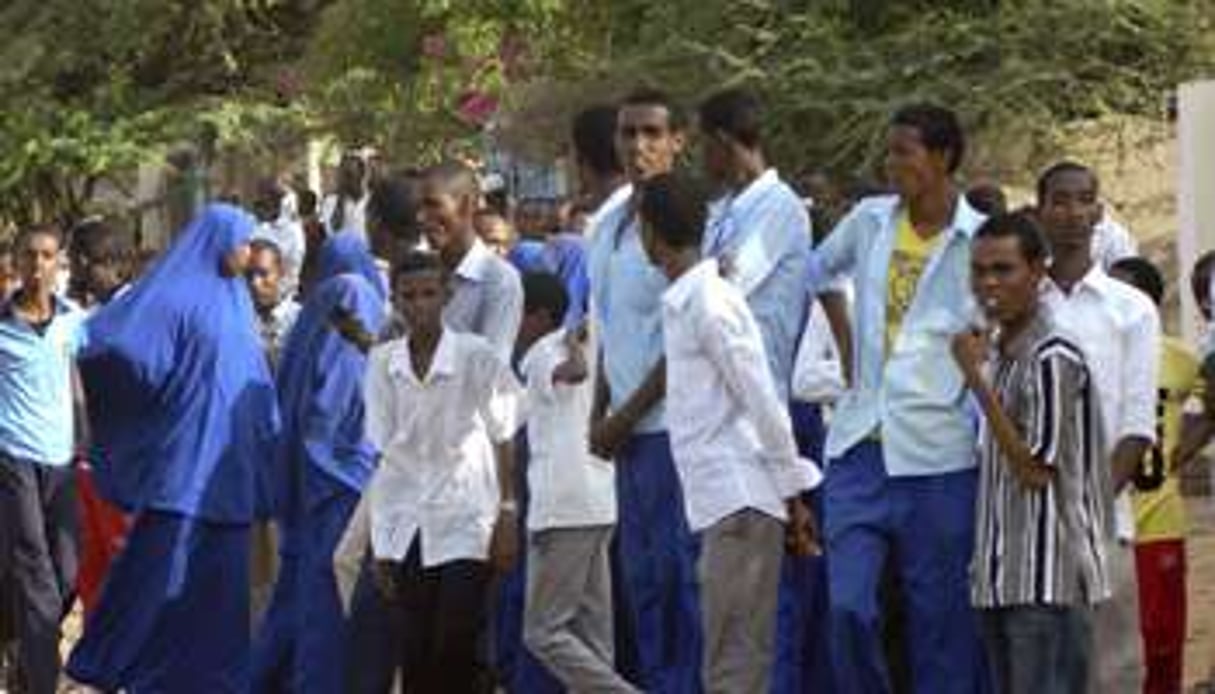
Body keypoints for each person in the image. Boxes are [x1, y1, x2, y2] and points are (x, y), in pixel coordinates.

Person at [806, 103, 988, 693]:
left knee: (941, 621)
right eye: (889, 151)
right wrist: (845, 341)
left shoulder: (978, 241)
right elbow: (818, 272)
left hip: (938, 456)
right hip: (860, 447)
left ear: (941, 159)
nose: (891, 164)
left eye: (903, 152)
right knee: (848, 608)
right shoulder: (869, 221)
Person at [66, 204, 280, 693]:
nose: (248, 253)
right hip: (184, 469)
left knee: (220, 597)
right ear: (218, 240)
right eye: (242, 242)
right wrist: (150, 403)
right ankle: (125, 673)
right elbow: (112, 344)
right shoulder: (176, 296)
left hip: (229, 476)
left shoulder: (236, 301)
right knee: (159, 585)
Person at [637, 172, 821, 693]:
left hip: (739, 498)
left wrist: (791, 490)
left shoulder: (710, 302)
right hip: (721, 499)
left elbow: (759, 394)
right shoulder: (689, 300)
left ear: (650, 231)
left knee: (734, 661)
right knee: (729, 655)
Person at [697, 86, 828, 693]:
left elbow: (722, 288)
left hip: (763, 414)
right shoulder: (726, 209)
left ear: (724, 142)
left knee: (762, 595)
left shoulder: (777, 208)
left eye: (704, 145)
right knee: (725, 601)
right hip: (720, 418)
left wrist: (702, 276)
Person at [952, 212, 1112, 694]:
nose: (988, 283)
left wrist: (975, 381)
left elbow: (1034, 470)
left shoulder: (1051, 356)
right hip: (1002, 576)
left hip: (1048, 579)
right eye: (979, 271)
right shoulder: (1001, 352)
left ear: (1037, 273)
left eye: (1003, 269)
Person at [349, 250, 522, 694]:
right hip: (408, 525)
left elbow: (505, 433)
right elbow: (387, 456)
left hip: (467, 519)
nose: (420, 304)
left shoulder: (474, 355)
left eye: (429, 293)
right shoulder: (383, 363)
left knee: (455, 641)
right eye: (409, 295)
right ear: (396, 301)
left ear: (446, 296)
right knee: (415, 646)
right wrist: (383, 543)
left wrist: (507, 512)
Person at [586, 87, 701, 693]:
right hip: (625, 436)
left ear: (678, 141)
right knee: (642, 585)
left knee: (683, 584)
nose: (639, 146)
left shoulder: (690, 217)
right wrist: (600, 408)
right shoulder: (606, 225)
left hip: (675, 431)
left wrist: (623, 416)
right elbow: (611, 326)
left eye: (653, 133)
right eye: (628, 134)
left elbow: (684, 339)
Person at [1034, 161, 1158, 694]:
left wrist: (1085, 508)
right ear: (1040, 211)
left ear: (1099, 213)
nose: (1072, 212)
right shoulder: (1014, 306)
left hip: (1105, 521)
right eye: (1059, 200)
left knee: (1113, 671)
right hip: (1025, 527)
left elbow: (1135, 425)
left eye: (1084, 200)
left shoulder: (1131, 310)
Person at [252, 232, 387, 694]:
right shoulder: (357, 295)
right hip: (341, 484)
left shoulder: (318, 305)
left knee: (297, 607)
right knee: (330, 615)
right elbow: (338, 400)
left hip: (305, 485)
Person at [515, 272, 632, 693]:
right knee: (594, 640)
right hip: (599, 502)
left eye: (517, 313)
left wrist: (570, 351)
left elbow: (573, 372)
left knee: (542, 631)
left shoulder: (545, 351)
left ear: (539, 316)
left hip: (563, 509)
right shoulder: (591, 341)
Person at [0, 224, 84, 694]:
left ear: (59, 263)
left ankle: (17, 642)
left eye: (46, 257)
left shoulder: (75, 322)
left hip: (62, 461)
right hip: (14, 461)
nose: (37, 267)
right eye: (29, 256)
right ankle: (40, 681)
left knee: (66, 573)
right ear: (15, 260)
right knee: (37, 574)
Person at [1109, 256, 1195, 694]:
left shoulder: (1178, 358)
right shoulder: (1093, 350)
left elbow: (1209, 401)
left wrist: (1184, 450)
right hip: (1107, 520)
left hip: (1159, 518)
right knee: (1113, 646)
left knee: (1162, 641)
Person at [417, 160, 523, 362]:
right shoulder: (420, 272)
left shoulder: (499, 280)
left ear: (466, 205)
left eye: (432, 205)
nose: (421, 217)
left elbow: (490, 369)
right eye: (419, 206)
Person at [247, 239, 303, 370]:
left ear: (280, 273)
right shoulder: (239, 317)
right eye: (248, 275)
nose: (255, 283)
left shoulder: (298, 320)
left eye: (263, 274)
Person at [252, 178, 308, 301]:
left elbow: (291, 267)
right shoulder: (258, 227)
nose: (261, 202)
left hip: (284, 297)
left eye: (267, 198)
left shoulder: (292, 232)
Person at [322, 152, 371, 241]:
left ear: (361, 175)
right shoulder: (331, 202)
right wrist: (340, 202)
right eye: (342, 175)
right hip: (343, 253)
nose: (345, 180)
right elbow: (332, 232)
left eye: (349, 175)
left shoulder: (372, 200)